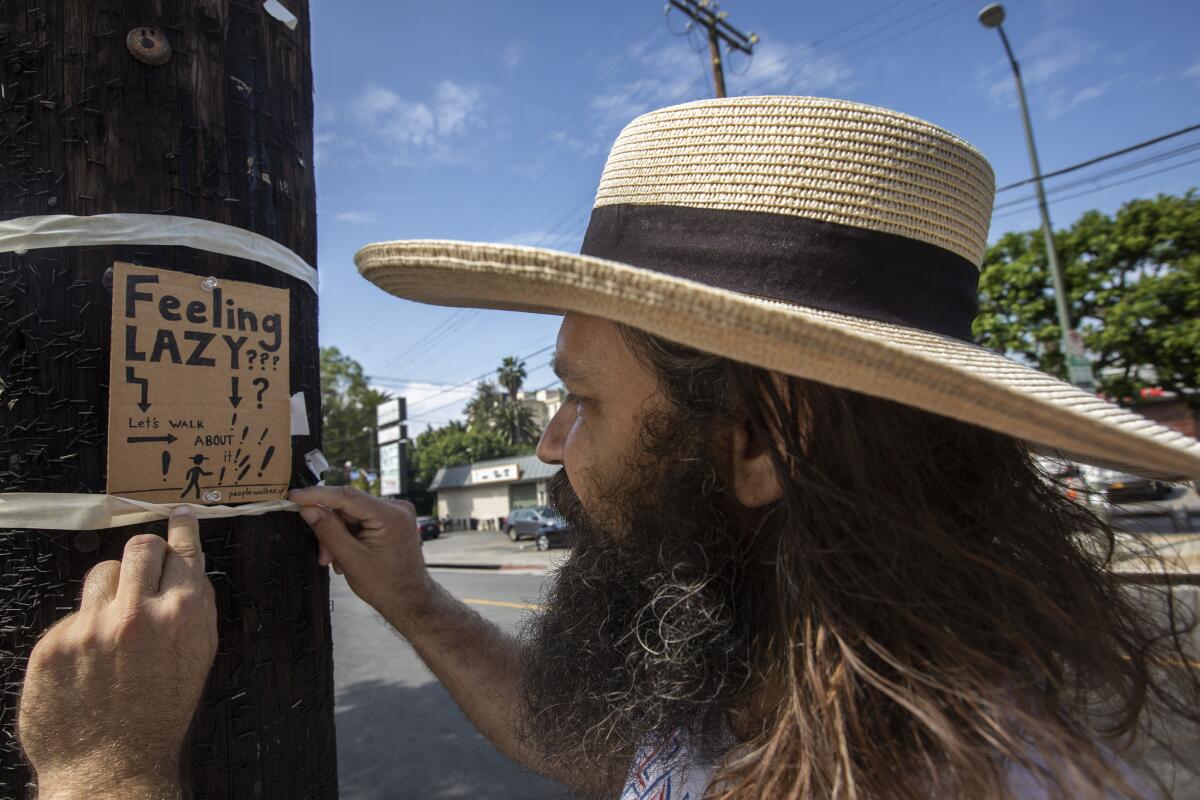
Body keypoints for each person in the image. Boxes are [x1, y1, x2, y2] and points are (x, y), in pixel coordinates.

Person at [18, 97, 1200, 799]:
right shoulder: (803, 662)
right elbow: (613, 749)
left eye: (583, 399)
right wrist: (419, 603)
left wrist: (103, 771)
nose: (547, 442)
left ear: (757, 447)